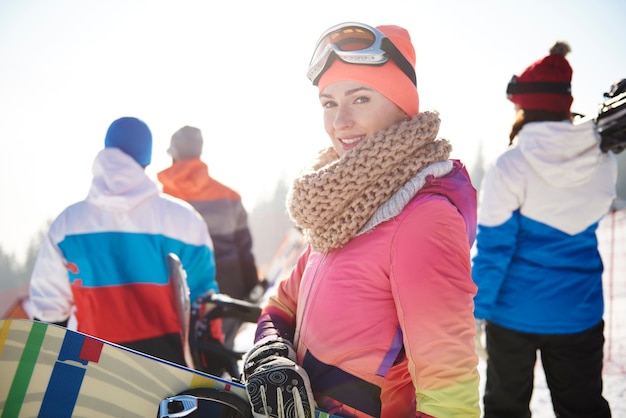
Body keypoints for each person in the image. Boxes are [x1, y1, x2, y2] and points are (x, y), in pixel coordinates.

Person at [241, 22, 480, 418]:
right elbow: (283, 302)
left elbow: (451, 394)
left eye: (361, 99)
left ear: (403, 106)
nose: (340, 122)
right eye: (329, 103)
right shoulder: (339, 209)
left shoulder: (423, 219)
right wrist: (271, 351)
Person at [472, 42, 616, 417]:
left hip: (512, 316)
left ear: (522, 108)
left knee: (505, 409)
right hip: (579, 313)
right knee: (582, 406)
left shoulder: (511, 166)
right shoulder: (603, 161)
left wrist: (476, 312)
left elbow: (493, 249)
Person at [27, 116, 219, 367]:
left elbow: (48, 312)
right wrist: (212, 369)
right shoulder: (184, 221)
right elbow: (204, 306)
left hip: (90, 374)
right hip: (170, 377)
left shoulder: (66, 225)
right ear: (147, 158)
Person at [157, 125, 263, 351]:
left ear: (173, 153)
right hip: (227, 288)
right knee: (219, 354)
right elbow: (245, 249)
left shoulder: (160, 200)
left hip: (176, 288)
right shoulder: (229, 196)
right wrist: (252, 288)